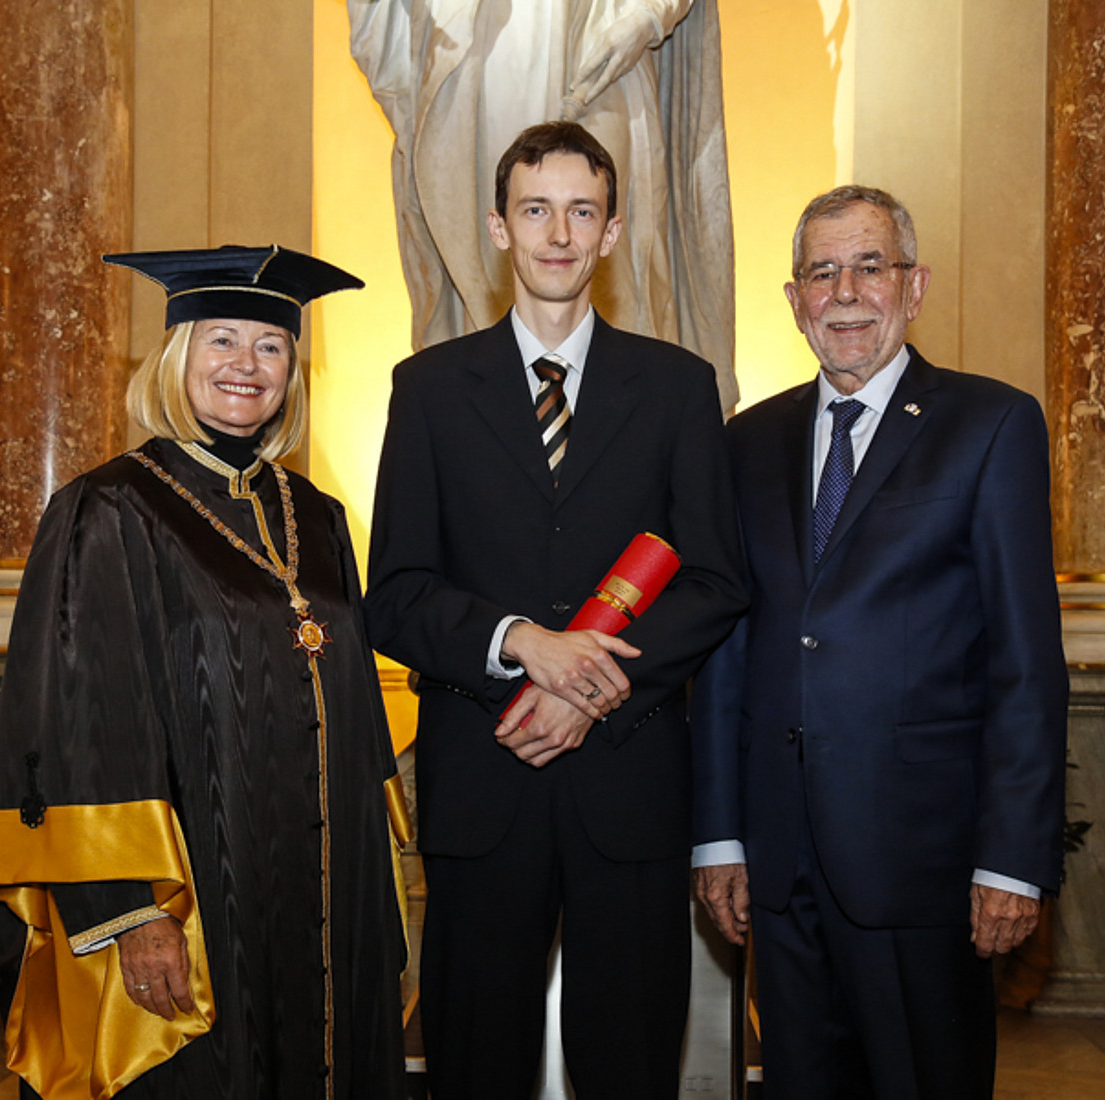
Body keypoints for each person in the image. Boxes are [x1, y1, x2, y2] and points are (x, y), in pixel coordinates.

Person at [0, 245, 407, 1100]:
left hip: (324, 884)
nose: (248, 366)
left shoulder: (318, 516)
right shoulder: (110, 507)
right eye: (222, 340)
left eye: (271, 346)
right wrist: (134, 913)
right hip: (198, 892)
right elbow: (81, 717)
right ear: (177, 356)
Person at [365, 121, 745, 1098]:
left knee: (628, 1060)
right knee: (473, 1060)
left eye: (583, 211)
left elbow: (715, 580)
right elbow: (397, 594)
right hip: (484, 779)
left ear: (613, 231)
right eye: (537, 210)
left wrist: (587, 686)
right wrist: (522, 642)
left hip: (629, 781)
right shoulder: (428, 390)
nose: (559, 233)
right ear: (500, 226)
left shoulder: (677, 387)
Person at [691, 186, 1069, 1099]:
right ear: (794, 300)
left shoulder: (990, 425)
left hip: (925, 866)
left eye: (871, 265)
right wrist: (718, 840)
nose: (847, 292)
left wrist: (1012, 859)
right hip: (779, 868)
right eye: (822, 272)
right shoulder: (747, 442)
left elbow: (1026, 662)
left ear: (915, 285)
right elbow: (726, 651)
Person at [346, 0, 739, 411]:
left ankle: (631, 438)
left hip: (601, 27)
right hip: (482, 41)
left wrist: (650, 13)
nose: (559, 232)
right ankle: (480, 430)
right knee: (482, 256)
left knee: (617, 261)